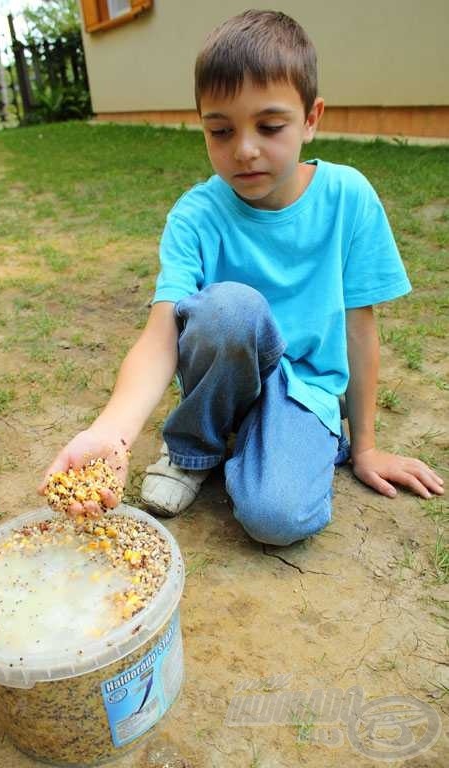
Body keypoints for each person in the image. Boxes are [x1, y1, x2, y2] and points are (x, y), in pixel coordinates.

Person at [38, 9, 444, 546]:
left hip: (308, 392)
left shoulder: (349, 199)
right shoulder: (196, 215)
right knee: (230, 307)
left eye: (270, 127)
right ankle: (193, 448)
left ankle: (267, 441)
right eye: (221, 130)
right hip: (228, 365)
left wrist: (365, 446)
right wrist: (109, 431)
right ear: (201, 123)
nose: (245, 149)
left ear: (312, 117)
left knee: (277, 519)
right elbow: (163, 334)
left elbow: (358, 327)